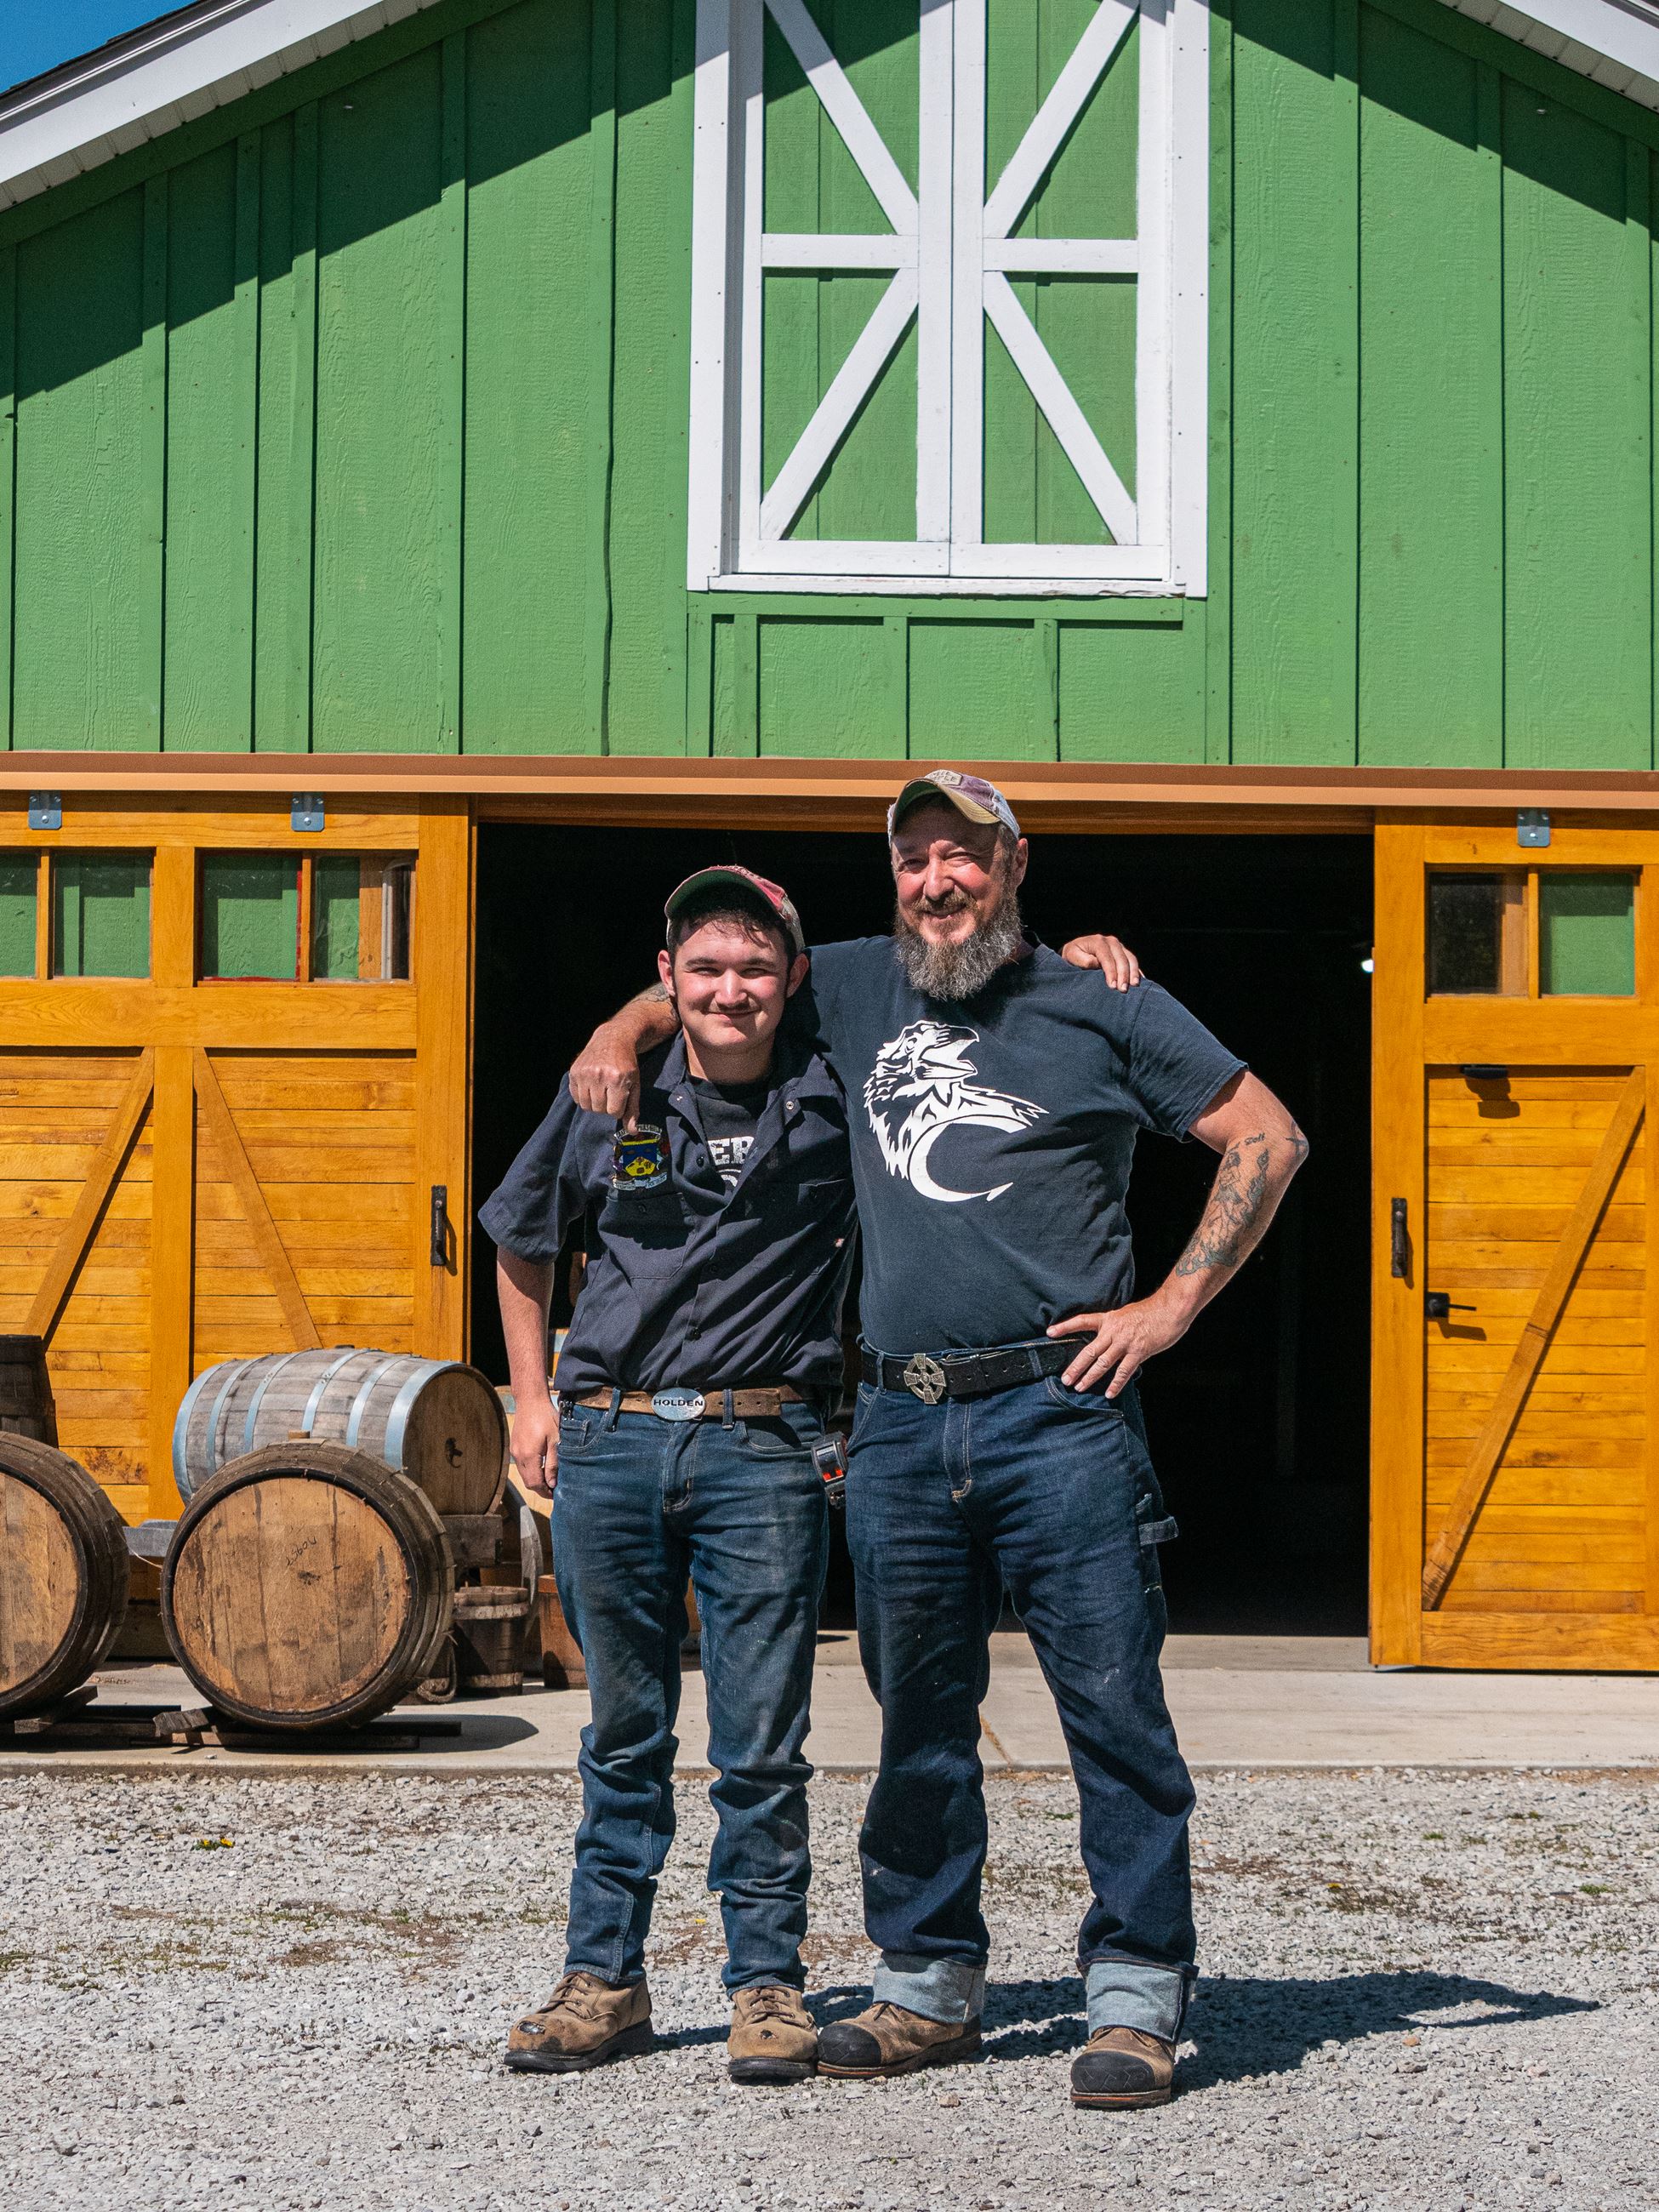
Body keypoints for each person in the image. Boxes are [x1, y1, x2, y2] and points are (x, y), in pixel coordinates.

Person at [572, 769, 1307, 2110]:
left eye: (962, 856)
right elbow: (714, 975)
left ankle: (1136, 1996)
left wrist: (1170, 1306)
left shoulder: (1104, 1000)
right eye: (913, 859)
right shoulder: (854, 985)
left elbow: (1265, 1134)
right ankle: (925, 1985)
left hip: (1060, 1415)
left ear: (1014, 865)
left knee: (1113, 1713)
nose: (934, 880)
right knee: (917, 1719)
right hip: (902, 1421)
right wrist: (623, 1031)